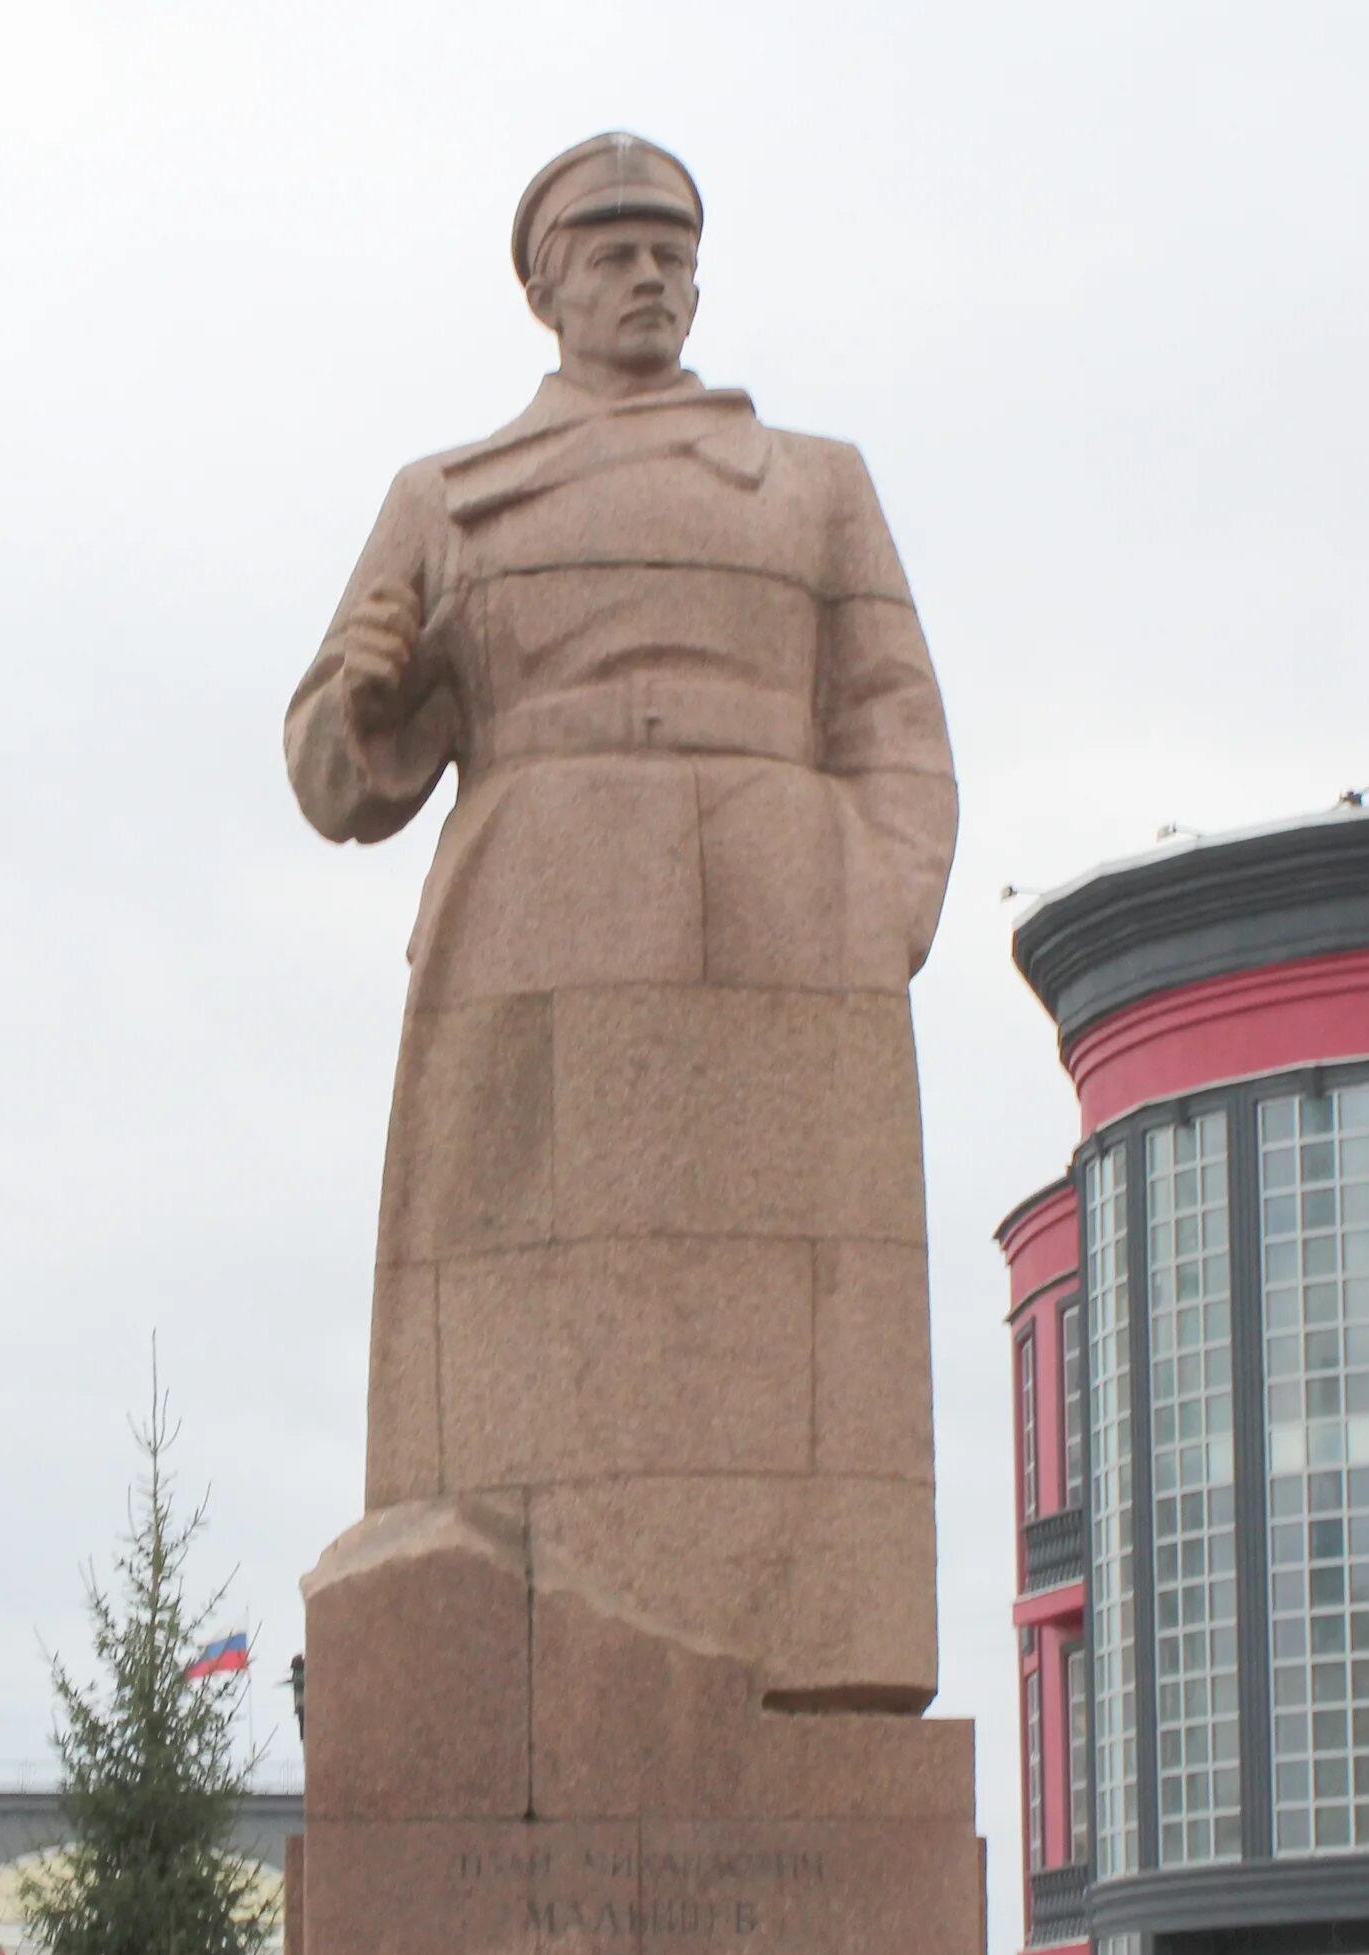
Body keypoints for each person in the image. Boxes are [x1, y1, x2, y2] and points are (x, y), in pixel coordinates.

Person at [285, 133, 958, 1708]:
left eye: (671, 246)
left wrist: (871, 910)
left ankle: (796, 1644)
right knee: (523, 1357)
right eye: (613, 249)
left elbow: (895, 721)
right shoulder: (446, 499)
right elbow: (338, 779)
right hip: (532, 923)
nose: (650, 273)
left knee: (791, 1366)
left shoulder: (813, 482)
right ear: (546, 288)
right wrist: (361, 689)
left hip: (790, 939)